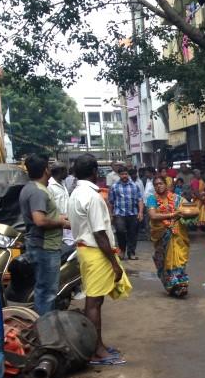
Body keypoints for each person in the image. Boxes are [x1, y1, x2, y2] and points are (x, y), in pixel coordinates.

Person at [67, 153, 132, 365]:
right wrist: (114, 264)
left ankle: (97, 346)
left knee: (95, 300)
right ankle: (97, 351)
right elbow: (99, 233)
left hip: (87, 251)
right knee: (94, 302)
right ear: (95, 172)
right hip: (95, 252)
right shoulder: (92, 196)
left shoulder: (76, 193)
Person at [18, 153, 70, 315]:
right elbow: (40, 220)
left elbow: (42, 216)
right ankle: (46, 330)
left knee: (44, 289)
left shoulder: (30, 188)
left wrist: (61, 218)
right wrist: (61, 222)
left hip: (40, 244)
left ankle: (46, 324)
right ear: (46, 170)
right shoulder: (38, 192)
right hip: (45, 247)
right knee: (47, 292)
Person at [146, 176, 190, 297]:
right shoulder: (151, 199)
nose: (158, 186)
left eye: (161, 183)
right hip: (160, 234)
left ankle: (181, 285)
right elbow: (153, 216)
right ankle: (171, 285)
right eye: (156, 184)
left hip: (177, 233)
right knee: (163, 260)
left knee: (178, 257)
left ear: (166, 184)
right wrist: (173, 214)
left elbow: (190, 207)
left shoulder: (177, 198)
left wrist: (190, 212)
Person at [108, 167, 144, 261]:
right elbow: (111, 202)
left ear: (128, 174)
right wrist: (111, 215)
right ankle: (122, 251)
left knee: (133, 233)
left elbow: (140, 200)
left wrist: (140, 212)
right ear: (119, 175)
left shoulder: (134, 186)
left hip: (133, 213)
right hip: (119, 214)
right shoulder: (114, 186)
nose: (124, 176)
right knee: (120, 231)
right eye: (122, 174)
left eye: (125, 174)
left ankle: (131, 253)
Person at [47, 163, 74, 247]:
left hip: (68, 220)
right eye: (66, 170)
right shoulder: (49, 186)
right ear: (61, 171)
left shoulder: (63, 183)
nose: (68, 173)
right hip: (59, 222)